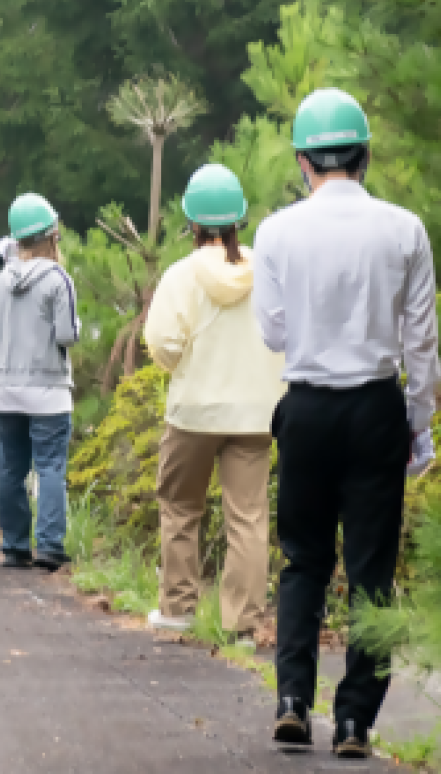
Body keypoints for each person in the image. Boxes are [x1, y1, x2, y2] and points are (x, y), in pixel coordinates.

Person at [253, 89, 441, 760]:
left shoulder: (275, 232)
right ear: (364, 156)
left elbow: (274, 333)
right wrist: (421, 429)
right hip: (375, 407)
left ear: (304, 161)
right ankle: (357, 720)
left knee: (303, 559)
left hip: (305, 408)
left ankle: (291, 702)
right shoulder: (404, 229)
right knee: (372, 570)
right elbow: (421, 344)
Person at [141, 166, 285, 639]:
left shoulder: (181, 276)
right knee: (247, 518)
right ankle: (243, 626)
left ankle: (179, 608)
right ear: (240, 220)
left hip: (194, 412)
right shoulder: (266, 270)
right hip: (256, 414)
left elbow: (162, 343)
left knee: (181, 507)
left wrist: (186, 365)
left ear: (192, 223)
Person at [0, 194, 81, 572]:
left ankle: (14, 545)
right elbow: (68, 335)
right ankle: (50, 546)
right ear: (51, 236)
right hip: (49, 392)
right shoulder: (59, 280)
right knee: (50, 467)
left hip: (6, 388)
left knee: (11, 468)